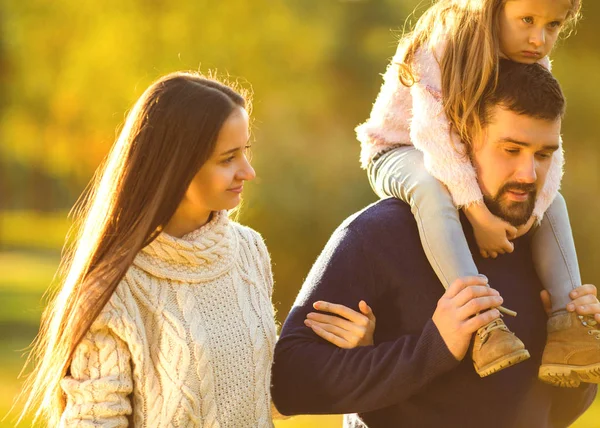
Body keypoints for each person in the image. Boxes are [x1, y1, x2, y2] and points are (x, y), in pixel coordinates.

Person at [16, 72, 375, 427]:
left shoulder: (248, 250)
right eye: (227, 159)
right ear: (176, 165)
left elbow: (265, 391)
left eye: (245, 152)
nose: (247, 171)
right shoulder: (114, 290)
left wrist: (356, 354)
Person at [271, 60, 599, 428]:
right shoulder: (379, 233)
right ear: (462, 139)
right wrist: (435, 347)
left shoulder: (542, 241)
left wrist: (580, 362)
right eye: (511, 150)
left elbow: (552, 413)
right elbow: (290, 382)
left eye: (543, 155)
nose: (529, 174)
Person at [354, 0, 595, 381]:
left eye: (553, 26)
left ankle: (570, 323)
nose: (538, 39)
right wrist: (478, 213)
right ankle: (484, 325)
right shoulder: (447, 39)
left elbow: (549, 147)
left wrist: (532, 213)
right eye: (527, 20)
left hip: (471, 154)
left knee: (554, 200)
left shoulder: (531, 61)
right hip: (402, 148)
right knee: (430, 189)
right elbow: (431, 135)